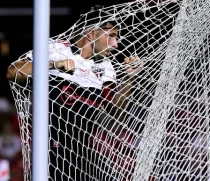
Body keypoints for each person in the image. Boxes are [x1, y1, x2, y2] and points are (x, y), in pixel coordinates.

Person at [6, 4, 142, 181]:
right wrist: (53, 65)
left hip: (83, 155)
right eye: (111, 36)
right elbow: (13, 72)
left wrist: (129, 79)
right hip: (49, 152)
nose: (116, 44)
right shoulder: (55, 49)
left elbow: (115, 110)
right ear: (91, 34)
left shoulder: (106, 67)